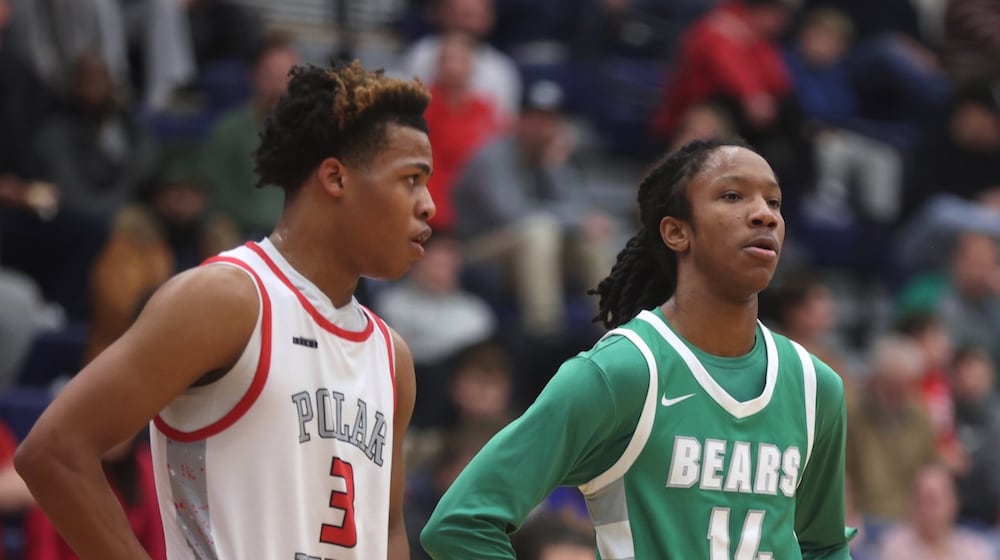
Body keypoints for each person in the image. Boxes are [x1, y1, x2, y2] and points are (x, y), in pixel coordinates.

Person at [15, 59, 434, 560]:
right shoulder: (229, 300)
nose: (428, 204)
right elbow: (54, 452)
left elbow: (385, 534)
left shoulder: (393, 359)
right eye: (411, 179)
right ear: (335, 178)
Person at [421, 138, 853, 558]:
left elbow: (825, 545)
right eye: (733, 195)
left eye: (774, 202)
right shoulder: (623, 372)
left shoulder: (816, 387)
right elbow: (461, 524)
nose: (764, 215)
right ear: (676, 232)